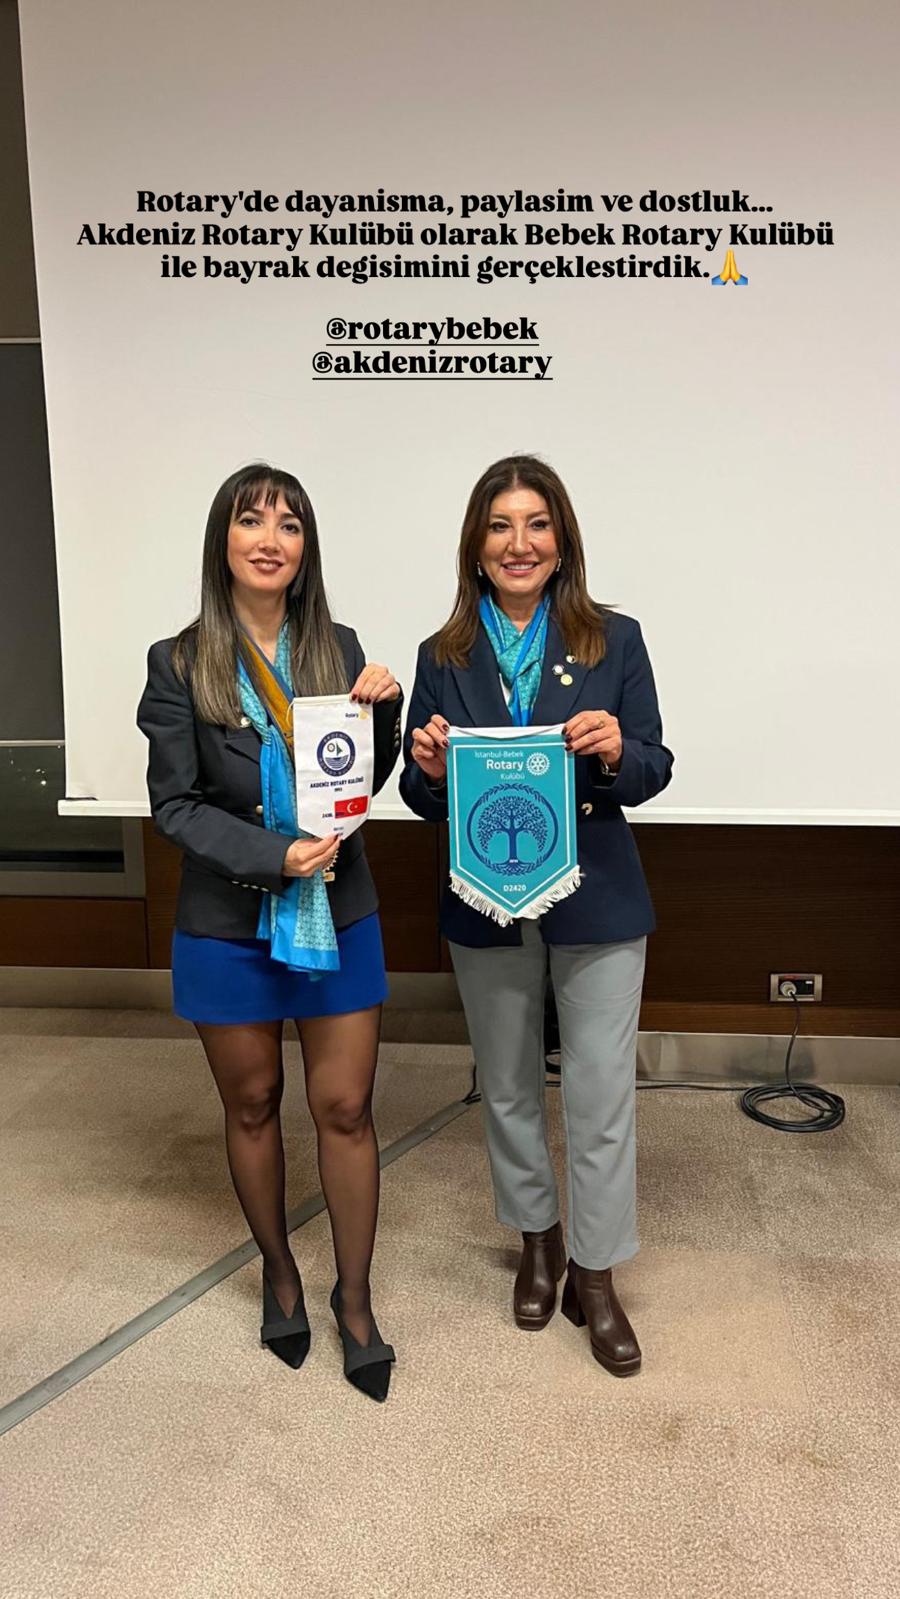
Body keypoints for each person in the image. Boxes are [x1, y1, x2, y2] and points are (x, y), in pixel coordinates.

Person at [400, 455, 673, 1377]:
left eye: (537, 524)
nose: (519, 543)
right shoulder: (443, 655)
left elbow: (654, 766)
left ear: (562, 541)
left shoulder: (614, 639)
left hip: (596, 896)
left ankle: (595, 1270)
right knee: (510, 1085)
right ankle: (538, 1238)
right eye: (500, 525)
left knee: (600, 1092)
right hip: (484, 899)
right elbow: (419, 793)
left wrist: (616, 749)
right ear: (476, 547)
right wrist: (427, 770)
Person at [137, 463, 402, 1402]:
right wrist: (273, 854)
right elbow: (174, 805)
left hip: (339, 908)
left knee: (346, 1108)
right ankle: (281, 1274)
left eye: (289, 524)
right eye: (251, 520)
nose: (270, 538)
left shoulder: (339, 646)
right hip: (229, 919)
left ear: (305, 548)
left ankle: (355, 1300)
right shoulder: (178, 663)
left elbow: (358, 779)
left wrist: (387, 711)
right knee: (251, 1105)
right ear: (224, 541)